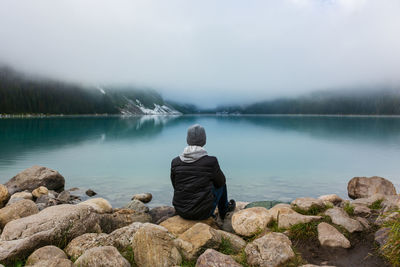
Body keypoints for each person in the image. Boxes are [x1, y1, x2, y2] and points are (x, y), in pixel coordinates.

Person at [170, 124, 235, 220]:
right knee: (222, 184)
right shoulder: (211, 161)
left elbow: (175, 185)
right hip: (203, 213)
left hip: (181, 211)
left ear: (187, 140)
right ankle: (224, 211)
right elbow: (220, 182)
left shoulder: (175, 162)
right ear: (204, 141)